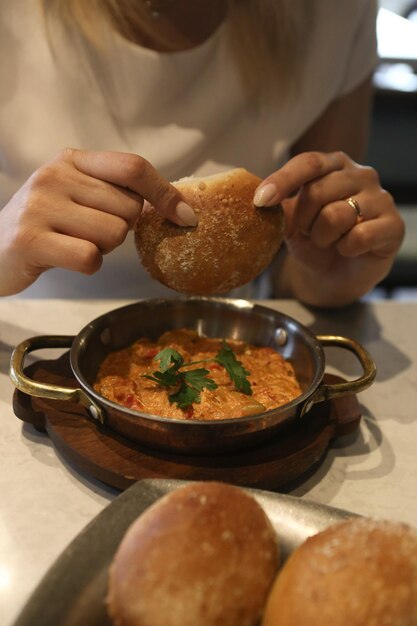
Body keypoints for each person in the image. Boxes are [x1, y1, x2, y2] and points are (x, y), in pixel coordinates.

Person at [0, 0, 405, 306]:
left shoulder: (332, 14)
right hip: (30, 347)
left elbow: (292, 256)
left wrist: (323, 278)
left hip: (231, 344)